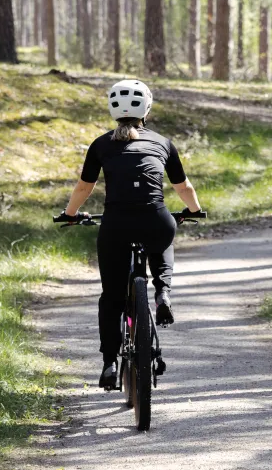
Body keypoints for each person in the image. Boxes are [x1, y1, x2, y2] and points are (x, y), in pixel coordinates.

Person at [59, 79, 204, 389]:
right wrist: (193, 210)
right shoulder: (163, 143)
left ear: (113, 109)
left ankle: (110, 364)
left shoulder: (100, 144)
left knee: (111, 298)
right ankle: (162, 290)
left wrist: (70, 215)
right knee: (164, 234)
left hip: (116, 225)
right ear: (146, 108)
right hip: (155, 220)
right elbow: (183, 188)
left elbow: (85, 187)